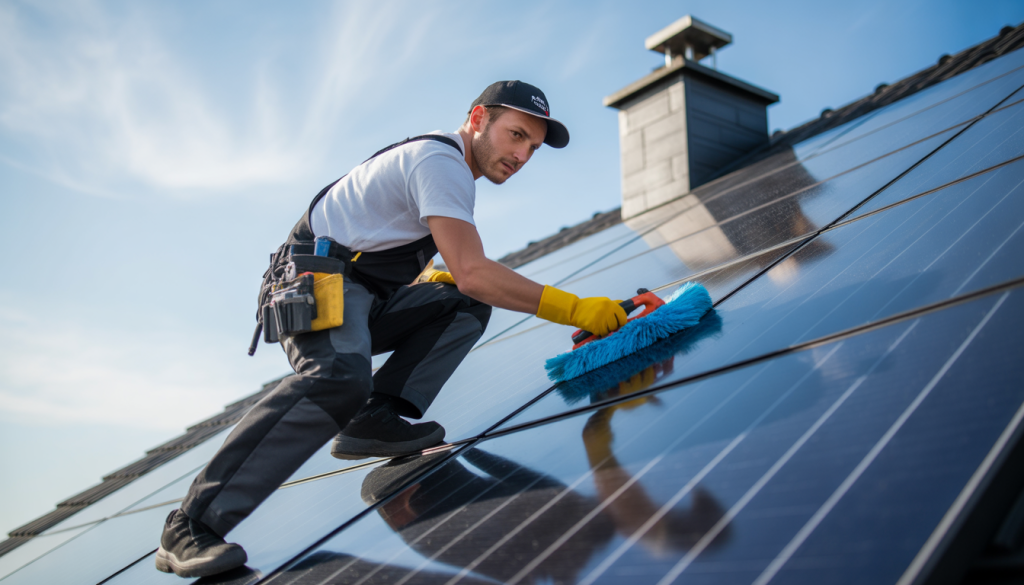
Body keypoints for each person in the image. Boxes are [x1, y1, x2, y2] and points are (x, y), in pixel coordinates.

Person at [155, 80, 630, 578]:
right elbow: (474, 270)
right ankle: (190, 526)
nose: (522, 154)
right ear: (476, 120)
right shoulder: (441, 163)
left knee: (462, 303)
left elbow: (395, 247)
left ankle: (374, 419)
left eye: (532, 147)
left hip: (362, 293)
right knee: (338, 374)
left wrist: (434, 279)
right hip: (312, 281)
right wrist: (574, 308)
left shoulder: (443, 165)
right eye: (515, 135)